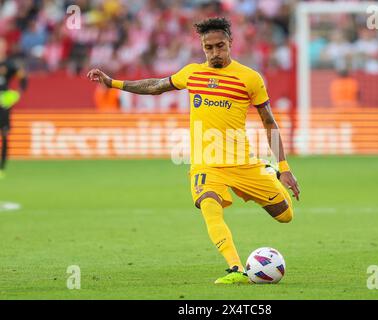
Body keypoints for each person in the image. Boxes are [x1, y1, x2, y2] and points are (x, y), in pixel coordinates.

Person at [87, 17, 300, 284]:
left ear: (230, 43)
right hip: (206, 164)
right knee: (209, 205)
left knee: (285, 216)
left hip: (243, 163)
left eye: (220, 46)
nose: (214, 53)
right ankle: (236, 268)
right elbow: (156, 86)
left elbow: (270, 122)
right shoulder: (193, 73)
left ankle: (266, 171)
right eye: (208, 48)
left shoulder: (250, 78)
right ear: (202, 47)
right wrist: (114, 83)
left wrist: (283, 168)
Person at [0, 39, 28, 179]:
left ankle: (2, 168)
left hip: (3, 104)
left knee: (4, 135)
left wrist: (17, 94)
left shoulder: (9, 65)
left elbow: (23, 79)